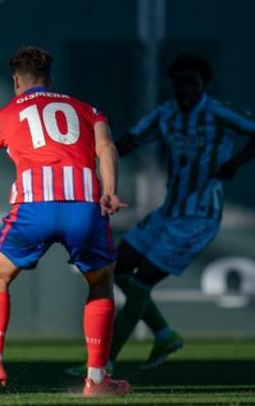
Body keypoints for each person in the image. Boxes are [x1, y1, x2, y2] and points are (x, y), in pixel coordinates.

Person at [0, 46, 130, 398]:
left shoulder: (3, 116)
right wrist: (110, 191)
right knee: (100, 284)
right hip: (84, 206)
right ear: (51, 79)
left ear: (15, 82)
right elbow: (106, 149)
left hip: (33, 208)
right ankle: (96, 380)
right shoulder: (88, 110)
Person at [81, 54, 255, 372]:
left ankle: (104, 363)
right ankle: (164, 334)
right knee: (115, 270)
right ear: (173, 85)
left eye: (193, 83)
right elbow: (130, 141)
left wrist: (235, 163)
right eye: (181, 84)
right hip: (168, 211)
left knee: (141, 284)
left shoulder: (218, 112)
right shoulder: (167, 114)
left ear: (204, 85)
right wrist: (97, 157)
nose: (186, 89)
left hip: (199, 217)